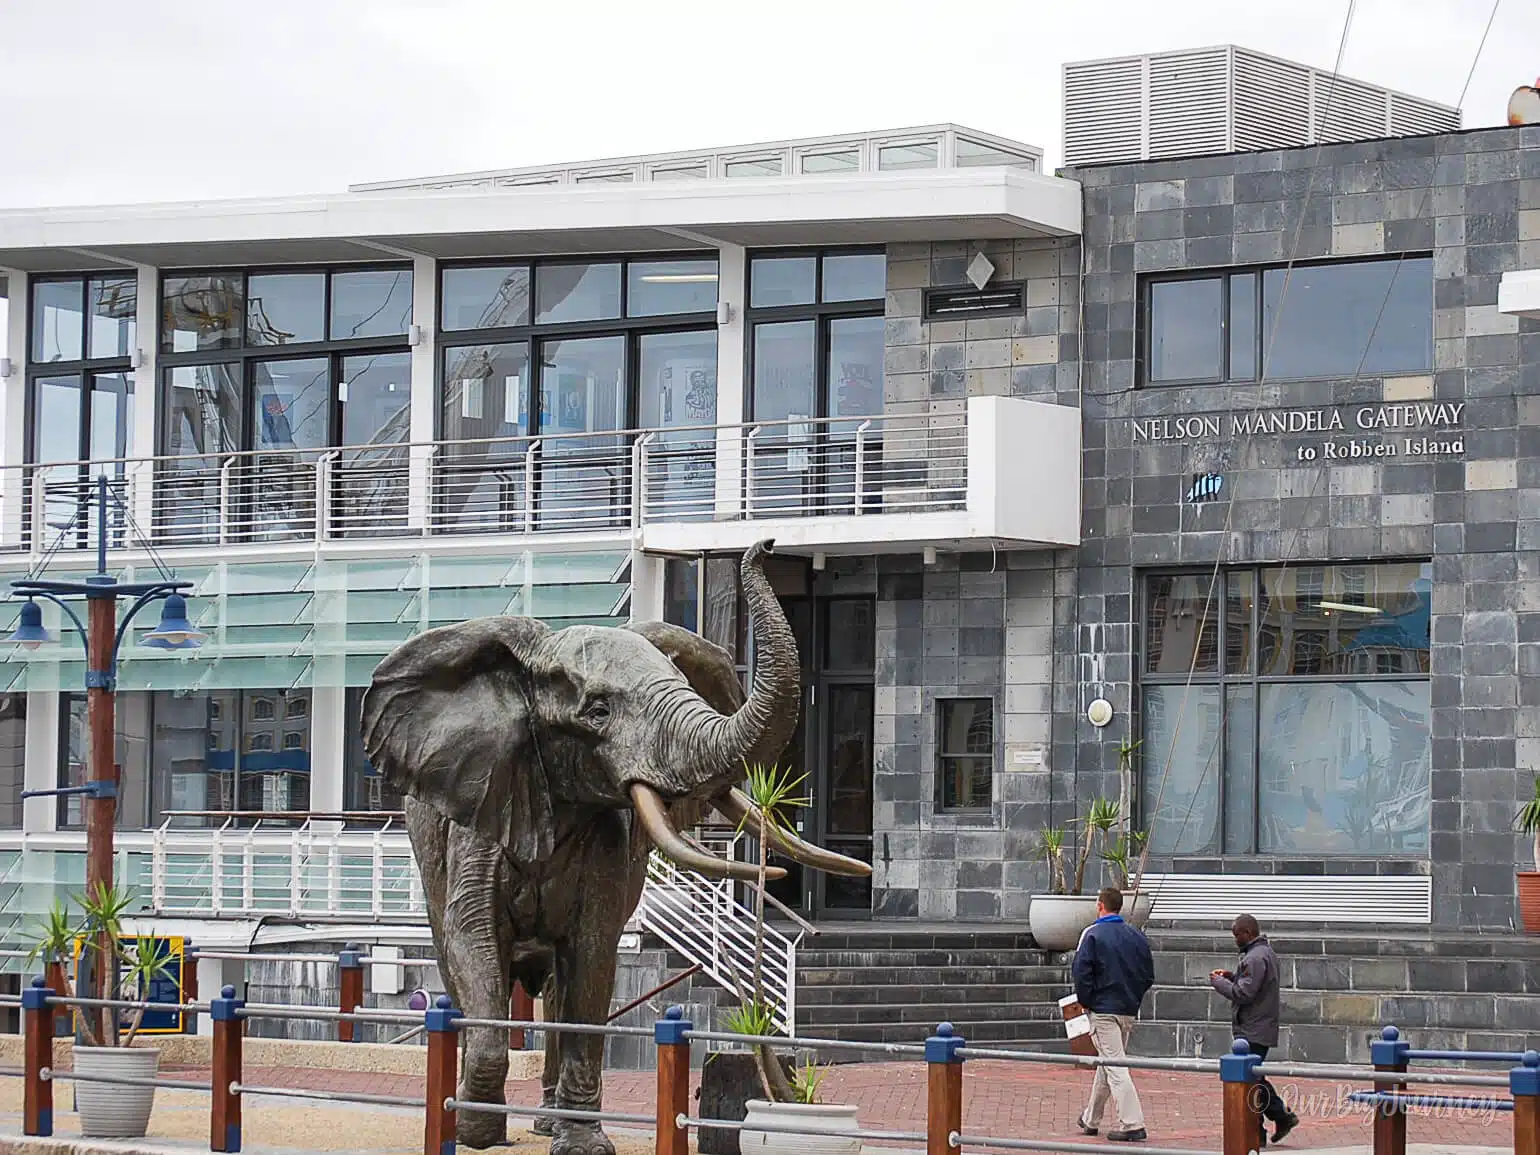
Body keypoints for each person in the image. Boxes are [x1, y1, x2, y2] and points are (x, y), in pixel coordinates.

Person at [1071, 886, 1155, 1142]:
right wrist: (1133, 997)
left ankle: (1132, 1123)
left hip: (1103, 1009)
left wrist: (1086, 1002)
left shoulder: (1093, 934)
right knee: (1109, 1062)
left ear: (1100, 906)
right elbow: (1148, 975)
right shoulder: (1136, 935)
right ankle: (1091, 1118)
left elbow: (1081, 971)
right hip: (1127, 1008)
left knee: (1115, 1066)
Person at [1211, 914, 1299, 1146]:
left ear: (1247, 933)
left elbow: (1244, 993)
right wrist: (1232, 976)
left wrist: (1221, 984)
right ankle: (1263, 1126)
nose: (1235, 940)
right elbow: (1252, 985)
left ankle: (1274, 1119)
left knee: (1251, 1080)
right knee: (1254, 1078)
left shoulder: (1255, 958)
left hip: (1253, 1028)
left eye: (1237, 935)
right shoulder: (1263, 954)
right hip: (1259, 1025)